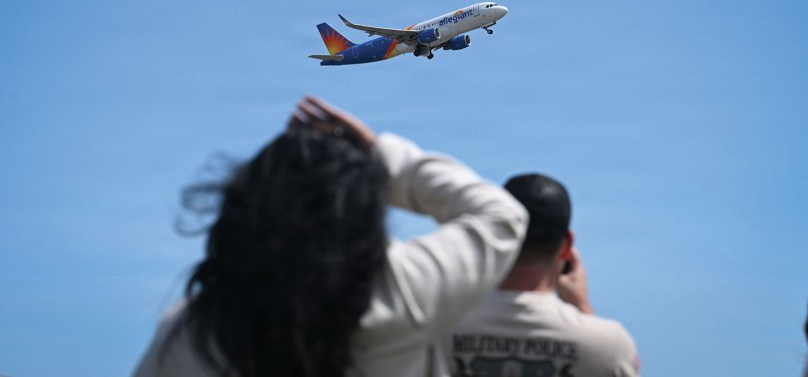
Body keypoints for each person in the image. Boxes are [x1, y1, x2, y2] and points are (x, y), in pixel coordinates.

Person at [132, 96, 528, 377]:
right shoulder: (402, 292)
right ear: (367, 209)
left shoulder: (192, 329)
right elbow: (502, 215)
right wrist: (379, 152)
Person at [448, 173, 640, 377]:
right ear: (566, 247)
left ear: (497, 235)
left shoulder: (433, 332)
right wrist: (581, 306)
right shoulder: (609, 345)